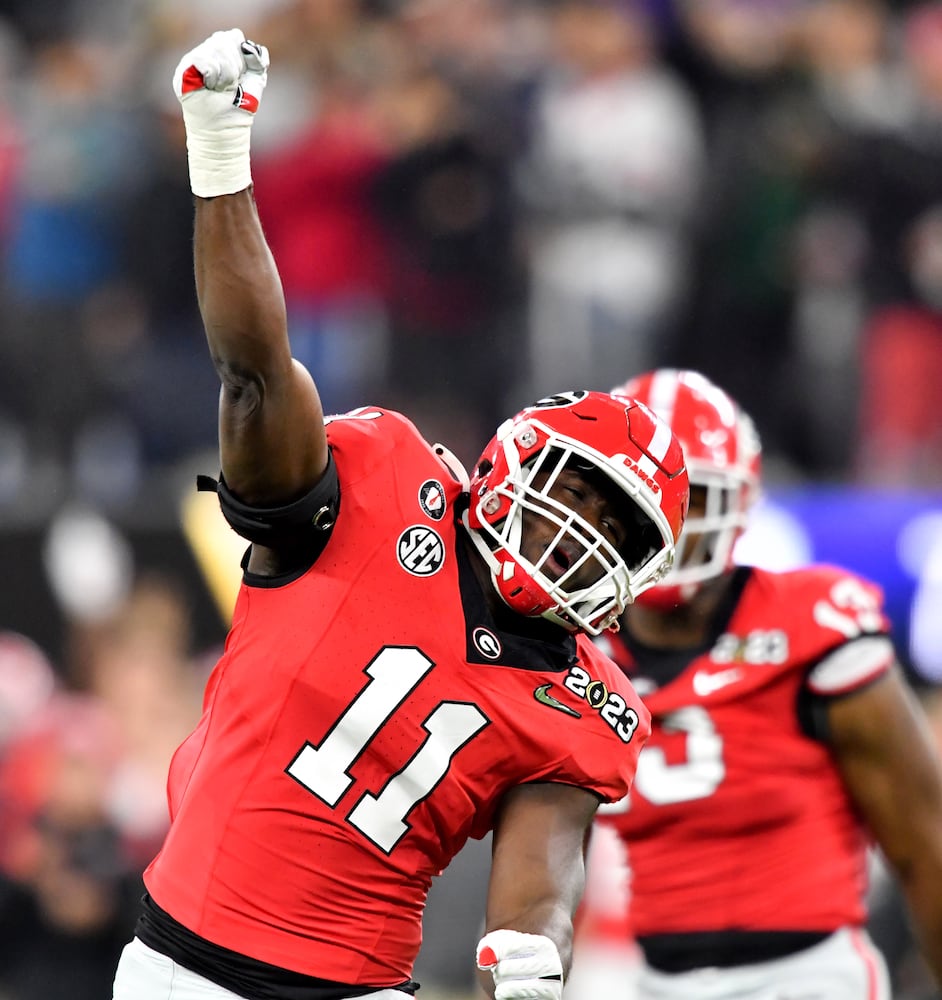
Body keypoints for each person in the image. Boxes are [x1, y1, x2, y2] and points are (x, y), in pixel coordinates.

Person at [110, 29, 691, 1000]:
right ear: (515, 458)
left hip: (364, 983)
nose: (580, 528)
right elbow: (255, 377)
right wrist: (220, 155)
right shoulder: (382, 479)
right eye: (578, 490)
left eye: (614, 523)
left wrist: (532, 966)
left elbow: (538, 889)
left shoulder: (589, 701)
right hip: (186, 967)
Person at [591, 367, 942, 999]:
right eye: (644, 491)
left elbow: (926, 843)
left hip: (805, 978)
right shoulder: (579, 652)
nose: (668, 518)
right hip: (650, 981)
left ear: (738, 500)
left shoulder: (811, 625)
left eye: (691, 494)